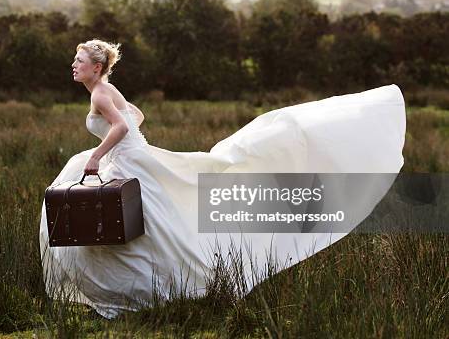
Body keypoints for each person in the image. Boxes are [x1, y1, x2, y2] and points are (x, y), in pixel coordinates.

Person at [39, 38, 407, 319]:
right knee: (151, 218)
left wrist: (100, 156)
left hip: (126, 159)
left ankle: (162, 288)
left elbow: (121, 123)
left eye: (79, 61)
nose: (73, 65)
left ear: (97, 66)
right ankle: (155, 286)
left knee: (145, 217)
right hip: (133, 156)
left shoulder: (101, 94)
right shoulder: (105, 90)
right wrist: (125, 145)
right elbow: (137, 114)